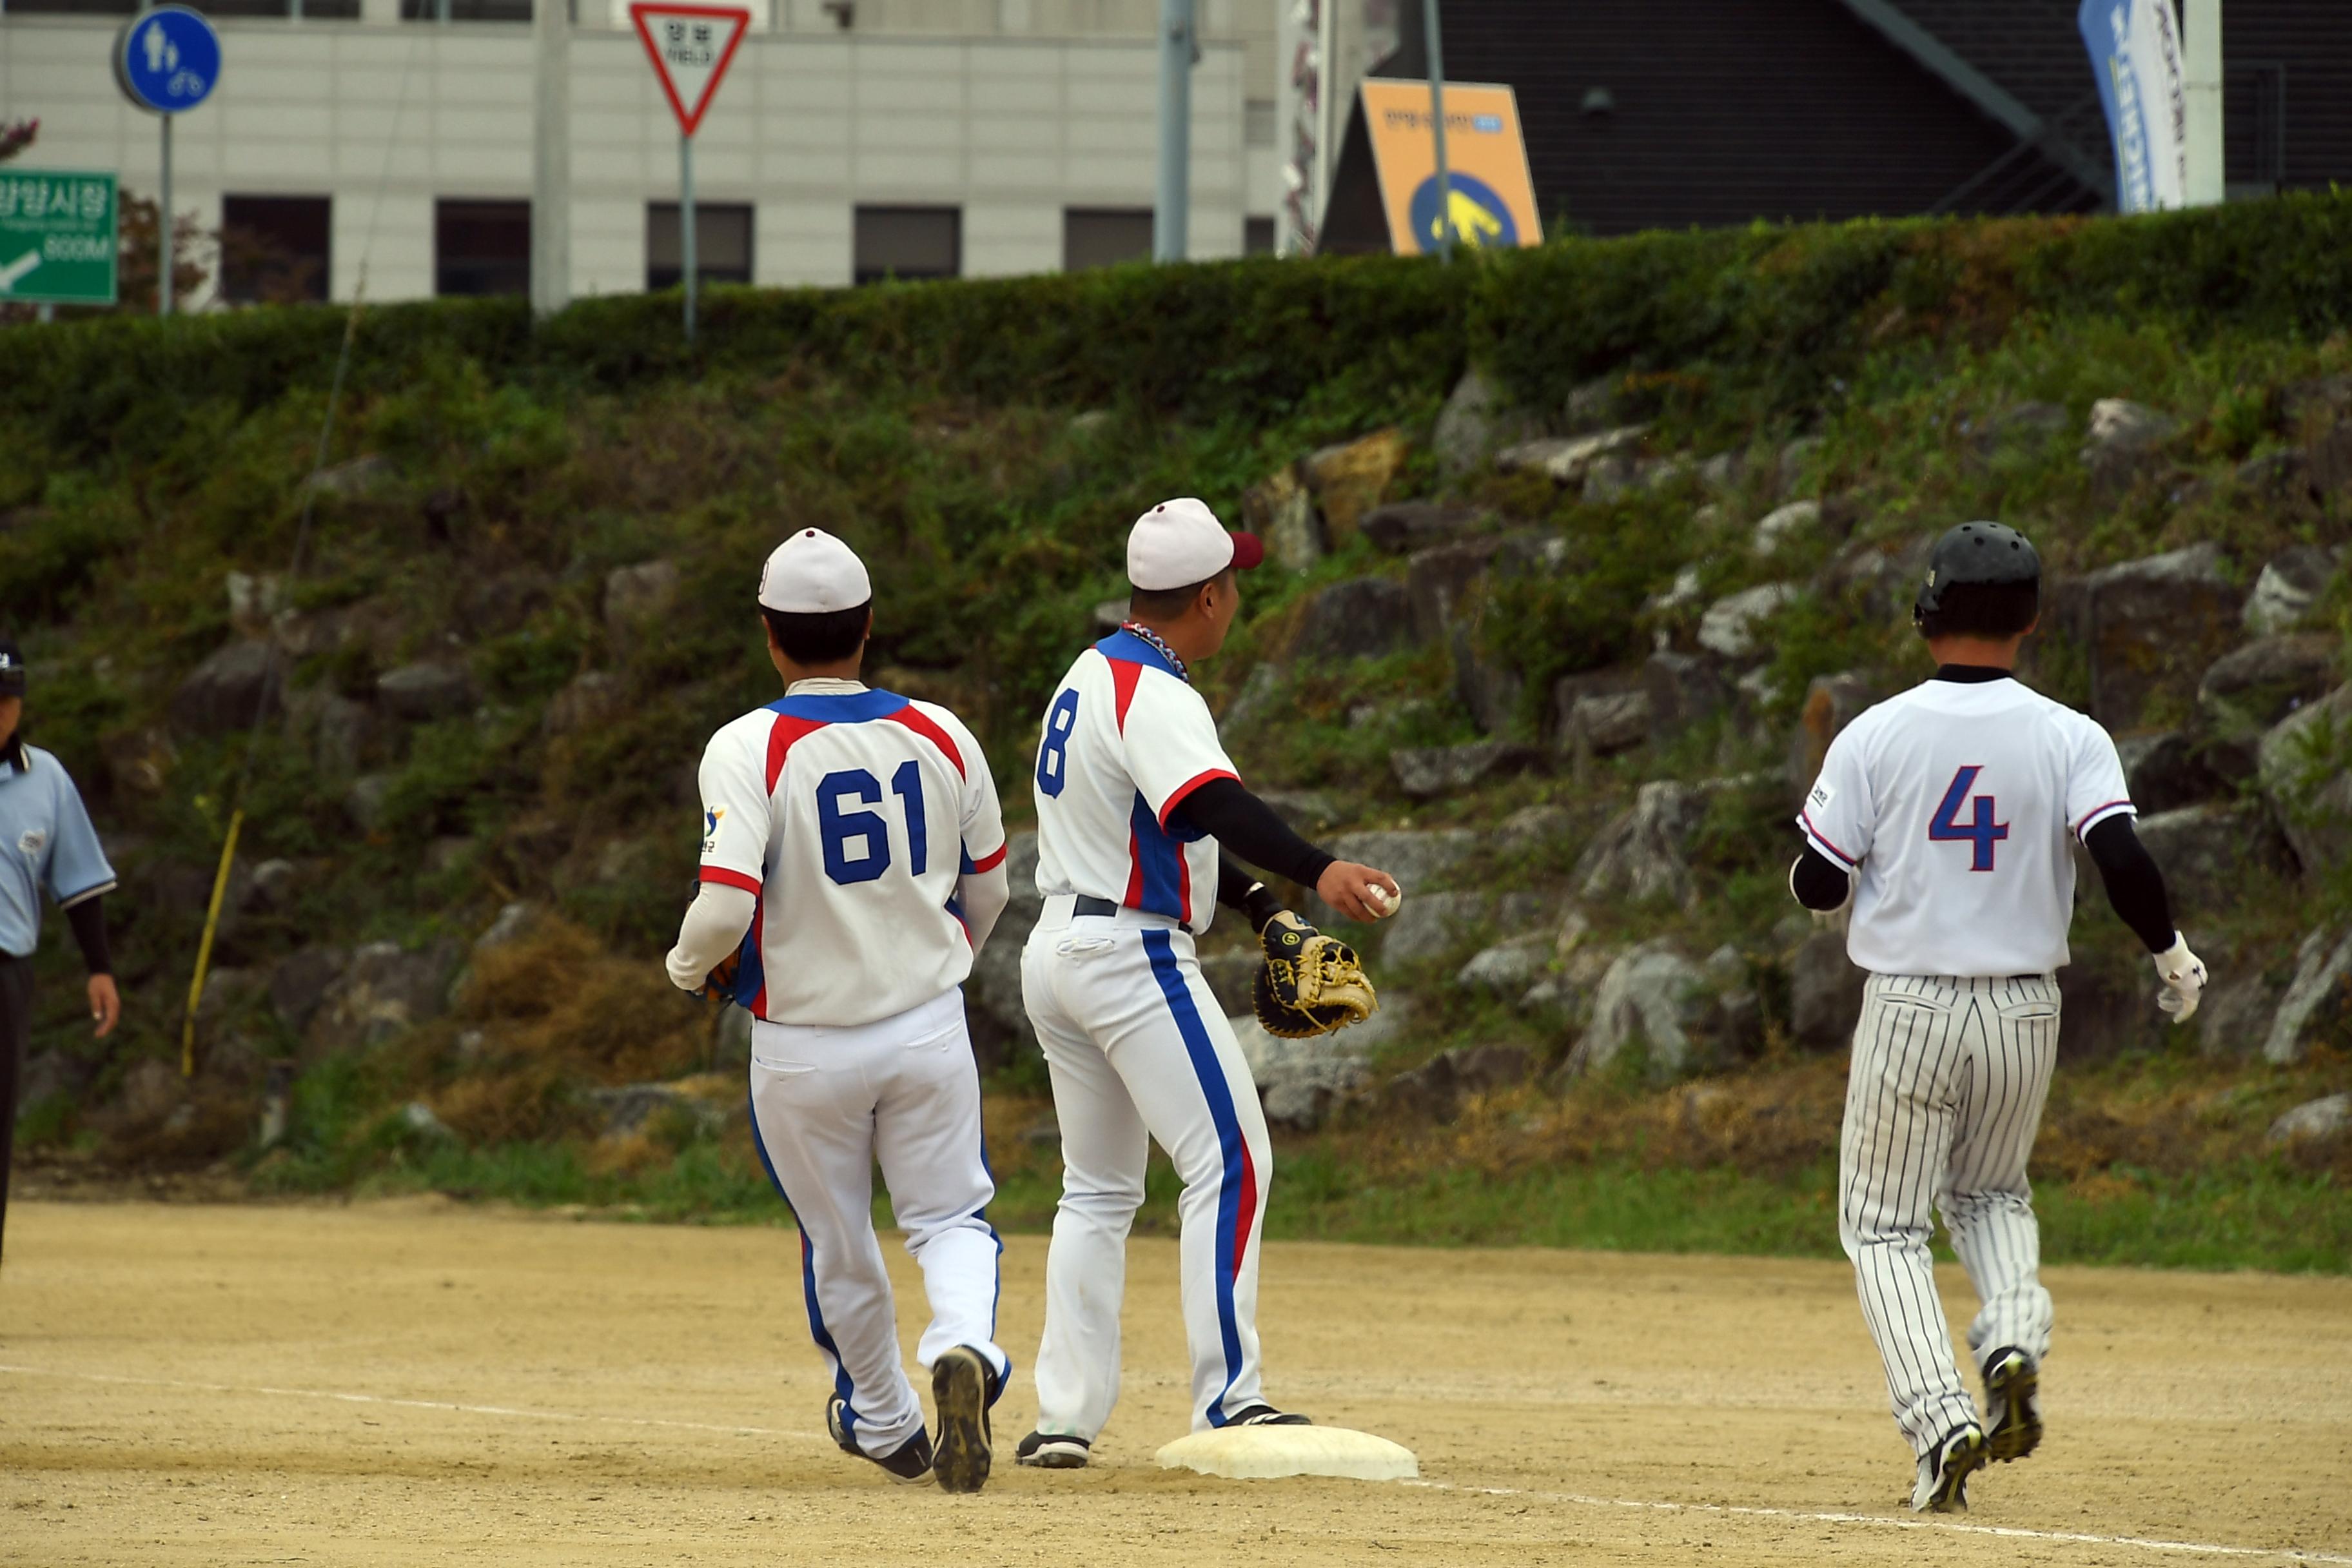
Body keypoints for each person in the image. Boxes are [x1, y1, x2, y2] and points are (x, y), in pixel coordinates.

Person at [1788, 522, 2206, 1514]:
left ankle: (1943, 1422)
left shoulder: (1877, 732)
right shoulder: (2070, 734)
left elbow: (1817, 882)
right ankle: (2013, 1332)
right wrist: (2172, 955)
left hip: (1911, 1007)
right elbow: (2125, 864)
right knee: (1992, 1196)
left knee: (1884, 1227)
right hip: (2026, 1009)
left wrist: (1827, 877)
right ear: (2032, 619)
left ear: (1926, 614)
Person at [1013, 498, 1399, 1469]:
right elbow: (1212, 803)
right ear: (1212, 596)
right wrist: (1323, 870)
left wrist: (1265, 908)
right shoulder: (1158, 690)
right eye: (1237, 582)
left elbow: (1162, 826)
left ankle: (1064, 1419)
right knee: (1233, 1160)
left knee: (1097, 1191)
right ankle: (1230, 1399)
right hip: (1128, 960)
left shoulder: (1090, 674)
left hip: (1058, 949)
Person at [663, 530, 1014, 1494]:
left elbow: (727, 903)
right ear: (867, 628)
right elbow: (989, 888)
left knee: (841, 1242)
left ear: (772, 638)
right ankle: (968, 1349)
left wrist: (686, 967)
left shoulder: (747, 745)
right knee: (950, 1218)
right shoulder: (944, 732)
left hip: (803, 1046)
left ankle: (888, 1422)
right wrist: (941, 967)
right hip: (927, 1028)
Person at [0, 635, 121, 1270]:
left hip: (6, 973)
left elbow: (79, 880)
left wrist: (99, 967)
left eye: (7, 699)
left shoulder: (44, 778)